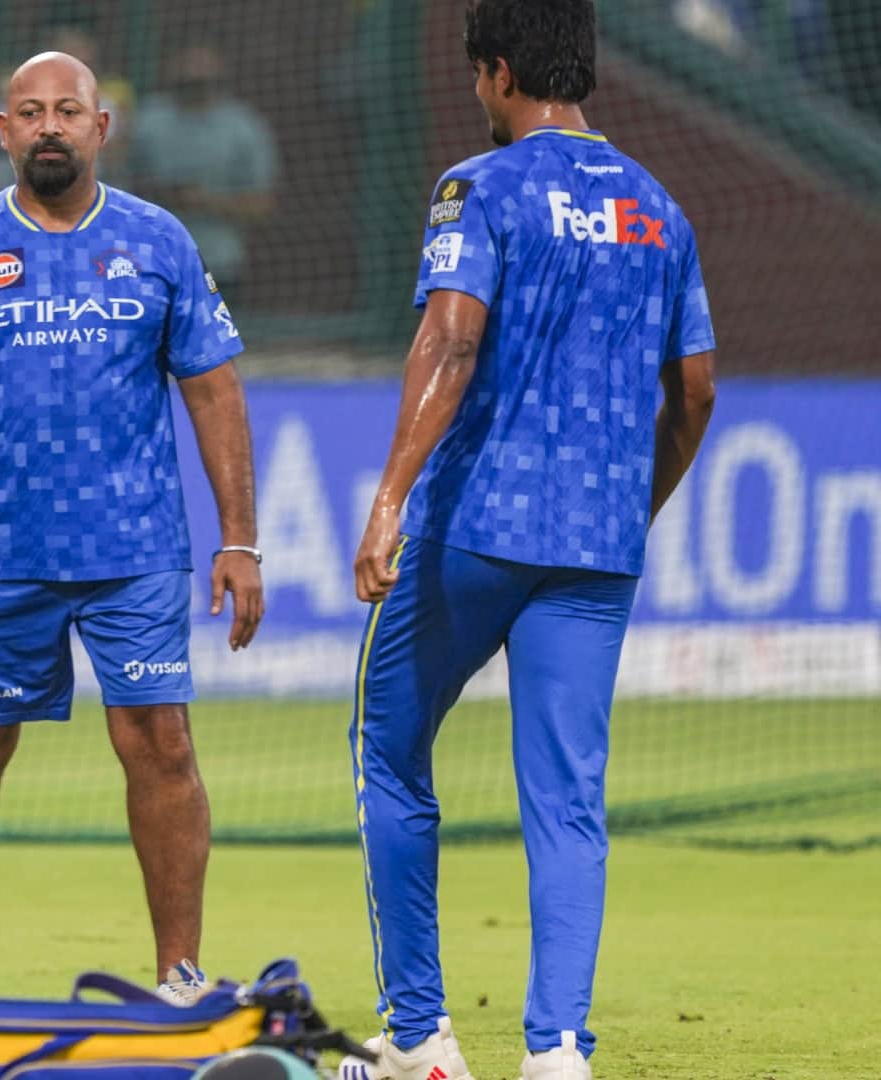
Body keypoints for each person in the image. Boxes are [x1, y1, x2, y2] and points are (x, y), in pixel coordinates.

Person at [0, 51, 265, 1004]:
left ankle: (181, 977)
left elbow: (215, 392)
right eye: (29, 112)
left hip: (134, 547)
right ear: (4, 131)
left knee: (161, 743)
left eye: (68, 110)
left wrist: (240, 540)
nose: (50, 127)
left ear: (103, 127)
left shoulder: (159, 241)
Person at [342, 3, 716, 1079]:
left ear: (499, 72)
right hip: (594, 548)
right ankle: (557, 1049)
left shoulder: (480, 186)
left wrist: (387, 501)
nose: (475, 96)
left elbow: (452, 337)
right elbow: (694, 390)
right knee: (567, 797)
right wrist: (634, 505)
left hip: (477, 528)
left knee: (388, 751)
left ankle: (418, 1039)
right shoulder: (662, 208)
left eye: (477, 77)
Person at [133, 43, 279, 292]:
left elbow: (263, 204)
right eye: (187, 67)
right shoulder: (149, 121)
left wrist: (206, 200)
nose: (194, 75)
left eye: (202, 69)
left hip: (218, 262)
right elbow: (121, 181)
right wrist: (159, 193)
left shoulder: (242, 126)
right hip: (151, 260)